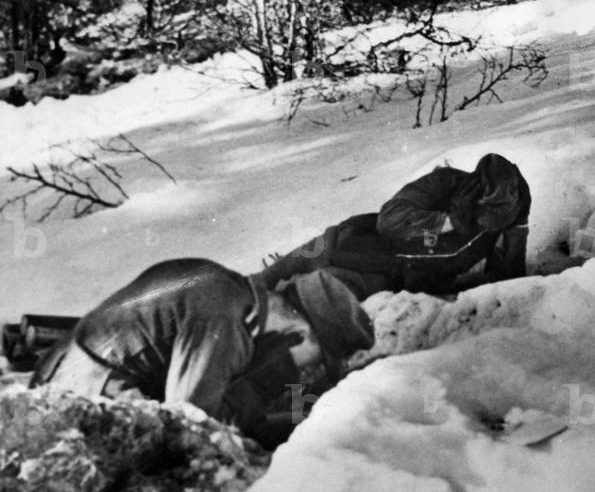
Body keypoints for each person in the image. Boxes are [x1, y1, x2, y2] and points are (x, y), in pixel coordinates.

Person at [34, 258, 374, 448]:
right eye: (314, 361)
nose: (304, 372)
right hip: (77, 403)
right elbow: (190, 425)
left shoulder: (225, 288)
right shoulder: (226, 321)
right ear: (299, 336)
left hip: (66, 377)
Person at [256, 153, 530, 299]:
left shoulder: (515, 211)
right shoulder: (445, 182)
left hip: (387, 276)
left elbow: (509, 271)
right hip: (351, 240)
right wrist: (444, 222)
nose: (493, 223)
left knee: (306, 303)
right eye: (489, 212)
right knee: (258, 286)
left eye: (503, 214)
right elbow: (389, 219)